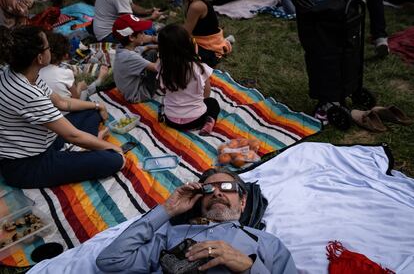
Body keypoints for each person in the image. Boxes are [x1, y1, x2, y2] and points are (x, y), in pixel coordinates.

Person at [96, 168, 298, 273]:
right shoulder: (170, 233)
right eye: (209, 189)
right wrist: (166, 211)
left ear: (243, 201)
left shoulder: (267, 243)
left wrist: (248, 267)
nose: (217, 192)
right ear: (199, 201)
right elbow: (110, 261)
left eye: (227, 187)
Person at [0, 26, 125, 189]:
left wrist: (97, 104)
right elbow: (73, 135)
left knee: (91, 111)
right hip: (27, 165)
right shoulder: (28, 93)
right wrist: (113, 148)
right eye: (47, 47)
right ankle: (85, 148)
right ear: (39, 57)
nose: (50, 50)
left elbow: (62, 102)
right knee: (115, 160)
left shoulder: (18, 72)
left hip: (46, 141)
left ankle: (83, 148)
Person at [158, 24, 220, 135]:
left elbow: (163, 89)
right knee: (213, 103)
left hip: (170, 120)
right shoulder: (199, 68)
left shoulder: (162, 67)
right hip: (195, 120)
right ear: (189, 45)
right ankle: (209, 122)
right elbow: (206, 94)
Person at [39, 32, 109, 106]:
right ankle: (100, 79)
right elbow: (76, 99)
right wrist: (79, 87)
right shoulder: (65, 73)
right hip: (67, 111)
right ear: (65, 55)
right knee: (84, 88)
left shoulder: (37, 67)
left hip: (49, 107)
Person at [112, 14, 158, 103]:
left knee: (151, 52)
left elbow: (147, 48)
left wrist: (157, 46)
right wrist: (163, 52)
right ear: (132, 37)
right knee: (157, 57)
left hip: (131, 89)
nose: (144, 34)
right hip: (139, 94)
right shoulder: (130, 57)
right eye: (141, 32)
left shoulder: (123, 47)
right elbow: (156, 67)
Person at [183, 0, 232, 67]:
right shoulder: (194, 2)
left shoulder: (196, 6)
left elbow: (184, 34)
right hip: (208, 41)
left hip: (208, 47)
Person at [93, 0, 161, 42]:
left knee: (152, 29)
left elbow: (132, 6)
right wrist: (151, 18)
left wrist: (148, 11)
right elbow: (129, 22)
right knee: (150, 33)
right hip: (108, 34)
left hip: (104, 30)